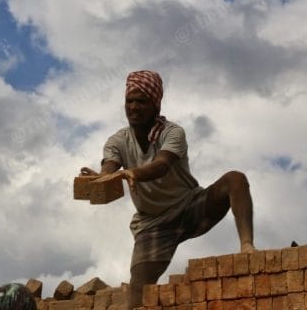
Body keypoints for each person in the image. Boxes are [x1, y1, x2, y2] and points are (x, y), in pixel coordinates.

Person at [80, 70, 255, 309]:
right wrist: (99, 179)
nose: (134, 107)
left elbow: (162, 165)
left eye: (141, 101)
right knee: (137, 297)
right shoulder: (117, 141)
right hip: (152, 224)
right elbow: (109, 168)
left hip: (190, 206)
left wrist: (134, 173)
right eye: (129, 101)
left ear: (156, 104)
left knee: (235, 179)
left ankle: (247, 247)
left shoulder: (172, 132)